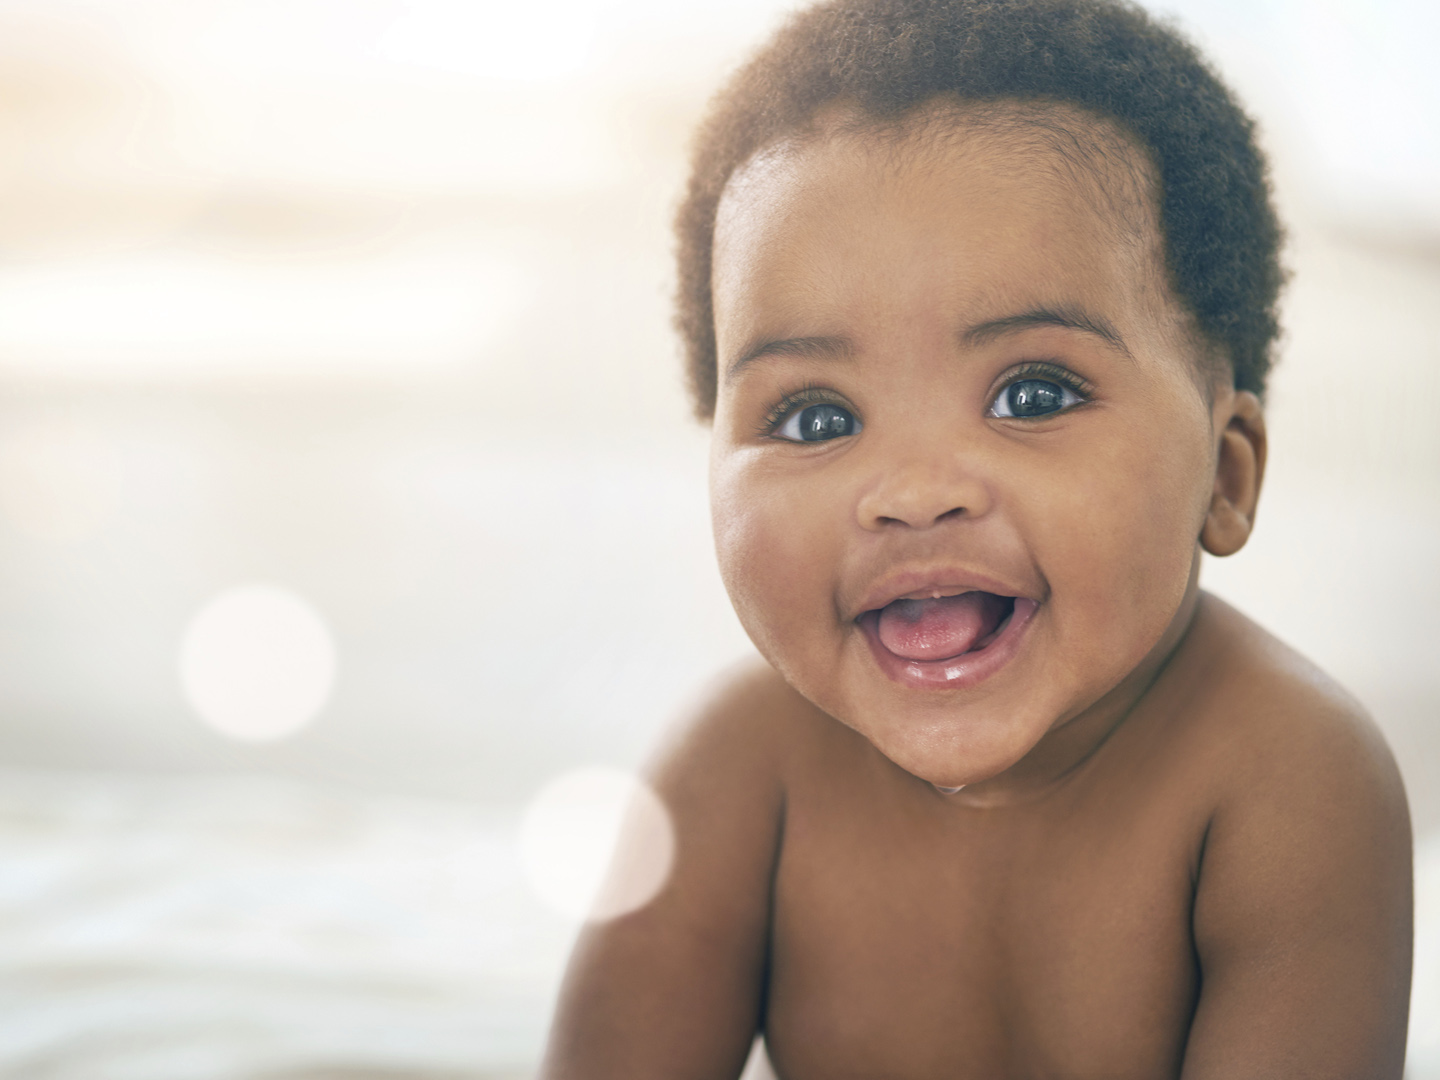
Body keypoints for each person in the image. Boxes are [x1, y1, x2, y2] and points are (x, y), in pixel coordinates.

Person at [542, 0, 1414, 1075]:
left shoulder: (1287, 784)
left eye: (1032, 394)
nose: (911, 493)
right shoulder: (733, 773)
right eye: (817, 417)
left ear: (1225, 477)